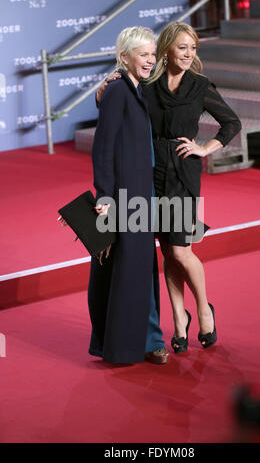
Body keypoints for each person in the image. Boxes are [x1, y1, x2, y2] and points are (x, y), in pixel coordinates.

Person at [96, 22, 242, 353]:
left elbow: (232, 122)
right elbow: (119, 105)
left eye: (193, 48)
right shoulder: (147, 84)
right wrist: (102, 88)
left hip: (183, 174)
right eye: (182, 48)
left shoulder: (201, 85)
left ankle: (204, 309)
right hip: (150, 174)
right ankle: (179, 320)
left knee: (180, 249)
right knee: (165, 251)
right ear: (166, 51)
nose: (189, 54)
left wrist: (205, 148)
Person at [62, 26, 169, 365]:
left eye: (152, 54)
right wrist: (104, 195)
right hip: (123, 197)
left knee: (138, 268)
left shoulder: (136, 88)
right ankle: (127, 346)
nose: (150, 60)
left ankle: (143, 340)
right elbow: (103, 147)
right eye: (143, 54)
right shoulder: (117, 92)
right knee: (124, 269)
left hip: (142, 194)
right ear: (125, 56)